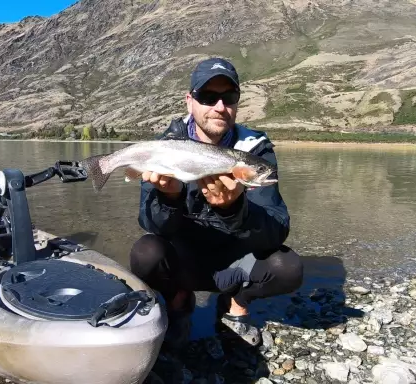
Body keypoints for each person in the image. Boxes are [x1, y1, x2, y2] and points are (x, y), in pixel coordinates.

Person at [129, 57, 304, 350]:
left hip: (237, 263)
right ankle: (178, 299)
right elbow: (150, 224)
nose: (220, 107)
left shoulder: (254, 150)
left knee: (288, 268)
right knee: (144, 253)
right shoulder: (165, 149)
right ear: (190, 101)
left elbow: (277, 230)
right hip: (185, 261)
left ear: (237, 102)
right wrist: (169, 198)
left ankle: (237, 303)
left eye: (229, 97)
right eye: (208, 97)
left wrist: (235, 210)